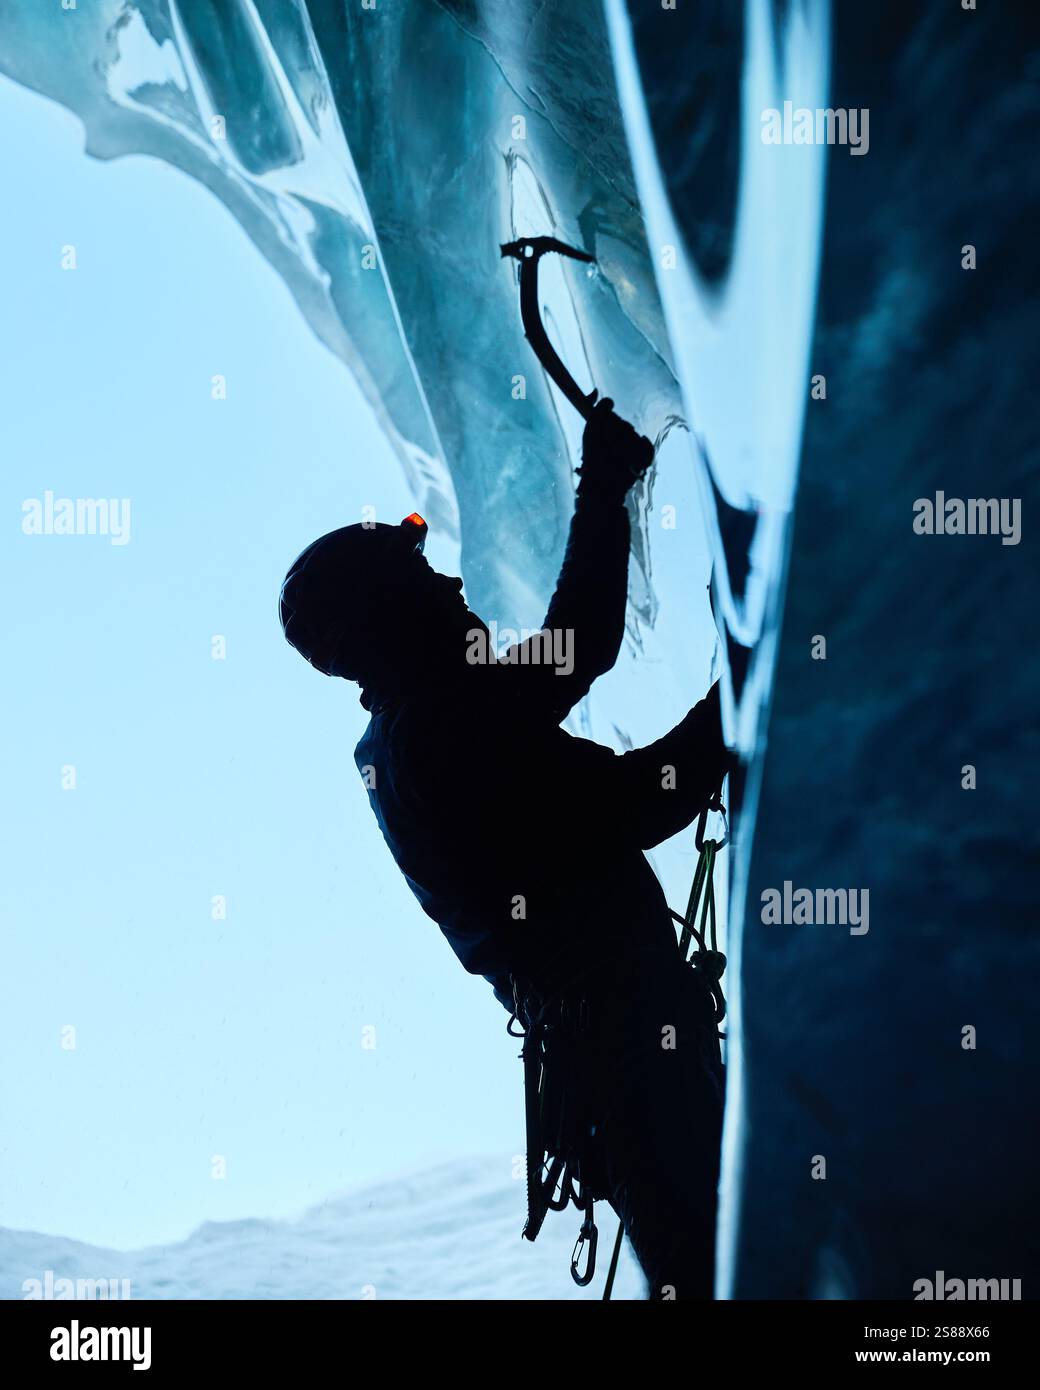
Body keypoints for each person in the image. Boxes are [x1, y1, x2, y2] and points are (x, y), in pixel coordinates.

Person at [279, 400, 734, 1298]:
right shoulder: (436, 737)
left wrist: (602, 492)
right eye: (421, 583)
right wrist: (748, 695)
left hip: (614, 1062)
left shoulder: (427, 718)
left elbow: (579, 646)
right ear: (385, 623)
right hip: (630, 1061)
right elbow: (637, 803)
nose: (451, 587)